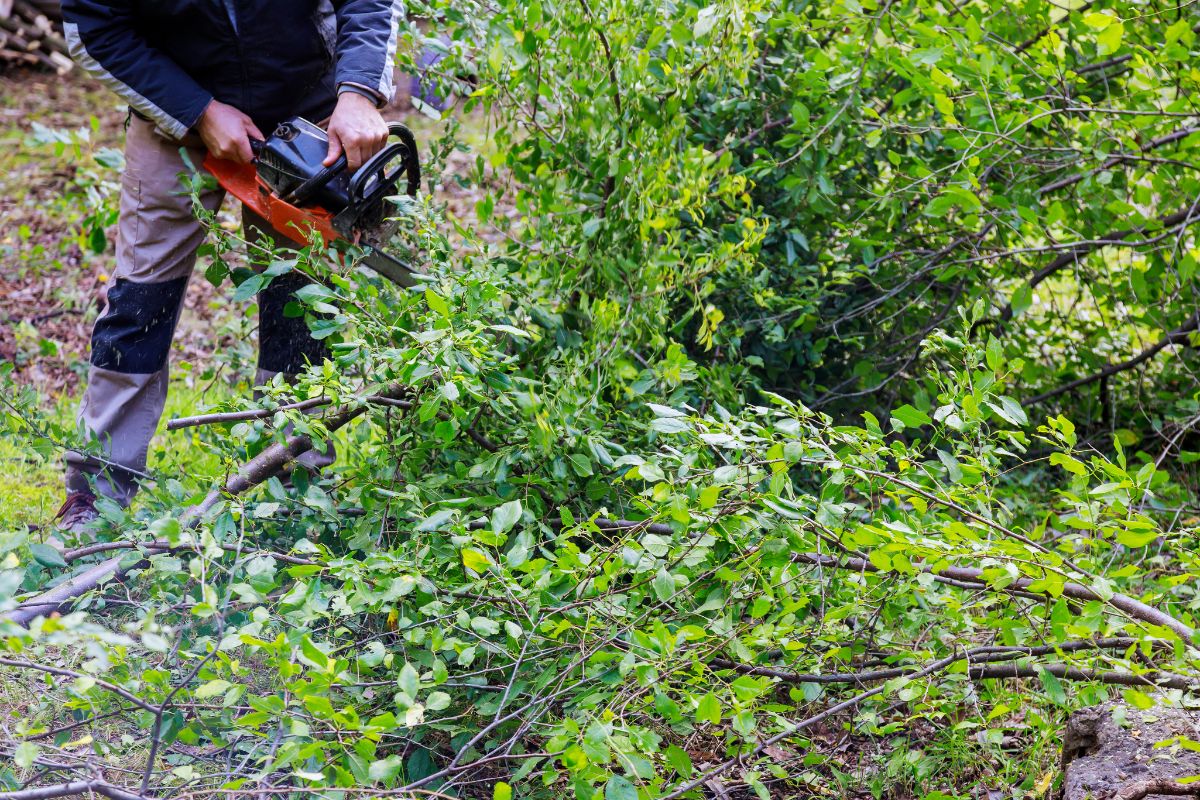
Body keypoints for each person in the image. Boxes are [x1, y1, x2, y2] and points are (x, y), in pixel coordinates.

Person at [55, 1, 402, 533]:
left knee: (302, 299)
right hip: (176, 110)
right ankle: (98, 495)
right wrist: (197, 109)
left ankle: (295, 486)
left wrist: (357, 92)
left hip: (307, 112)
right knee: (141, 300)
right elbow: (93, 24)